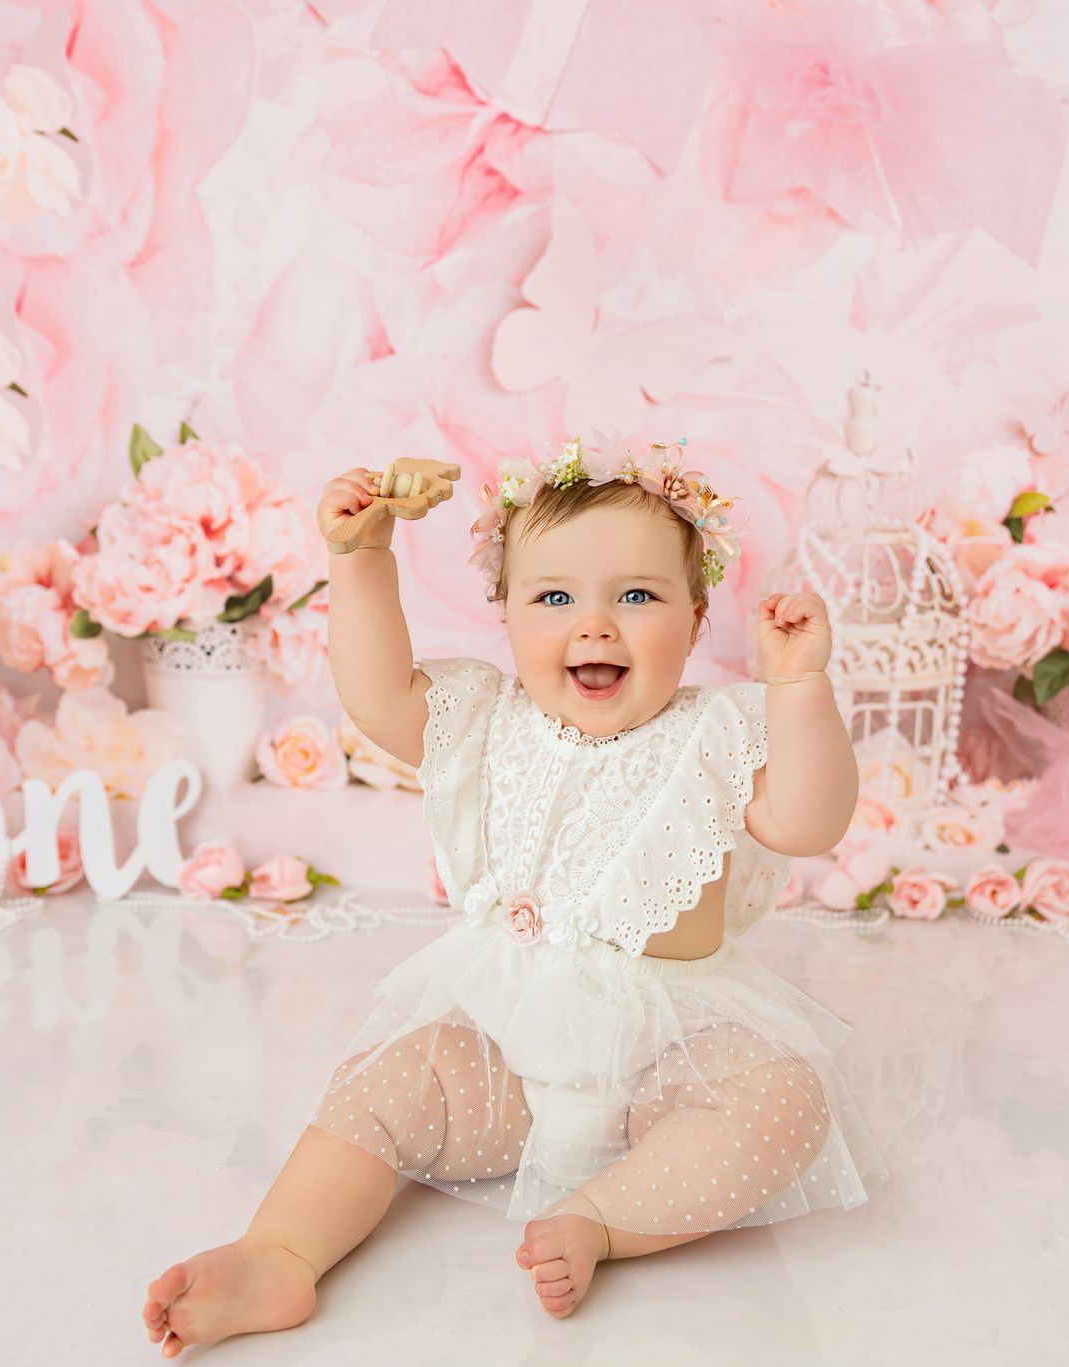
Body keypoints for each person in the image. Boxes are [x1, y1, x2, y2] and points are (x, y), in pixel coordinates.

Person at [143, 437, 886, 1355]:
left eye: (639, 596)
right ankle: (281, 1250)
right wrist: (363, 557)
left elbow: (810, 819)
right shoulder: (487, 718)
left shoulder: (717, 735)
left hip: (673, 1060)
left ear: (697, 622)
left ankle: (607, 1219)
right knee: (390, 1074)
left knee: (784, 1100)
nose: (596, 624)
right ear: (504, 616)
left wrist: (800, 685)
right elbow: (377, 697)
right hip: (506, 1064)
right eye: (555, 597)